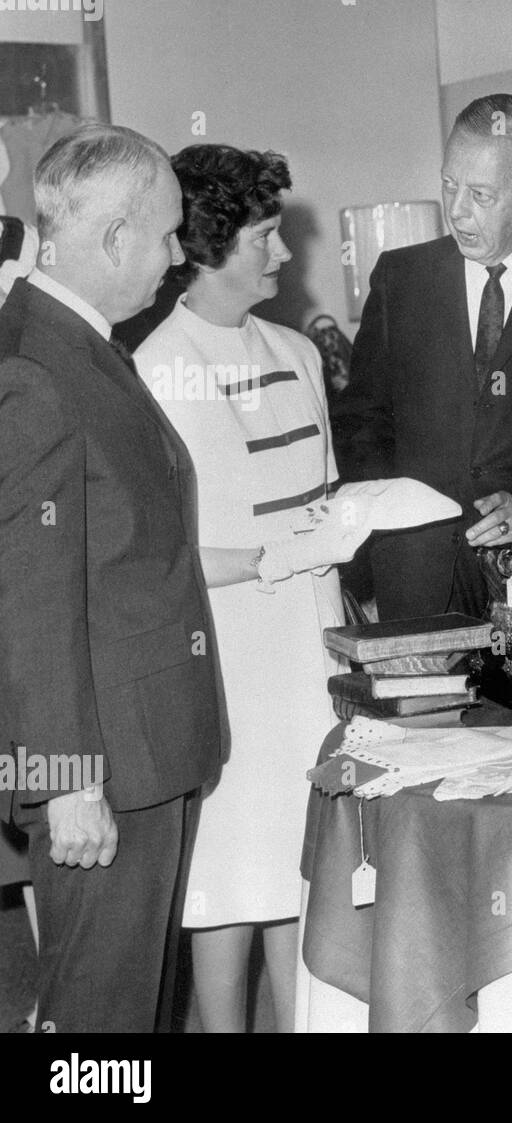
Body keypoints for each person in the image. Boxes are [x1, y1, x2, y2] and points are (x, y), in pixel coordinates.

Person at [0, 123, 223, 1032]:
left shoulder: (72, 341)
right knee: (96, 1026)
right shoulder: (34, 368)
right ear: (115, 238)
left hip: (138, 753)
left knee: (127, 1018)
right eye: (169, 236)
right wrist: (64, 781)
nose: (177, 260)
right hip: (104, 776)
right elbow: (26, 595)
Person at [133, 145, 355, 1032]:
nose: (283, 254)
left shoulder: (298, 352)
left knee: (302, 869)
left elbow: (329, 496)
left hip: (309, 650)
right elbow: (159, 548)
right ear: (212, 243)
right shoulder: (152, 367)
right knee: (225, 879)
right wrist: (272, 557)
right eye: (265, 235)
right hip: (223, 652)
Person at [334, 93, 512, 620]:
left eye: (480, 194)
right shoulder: (401, 279)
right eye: (449, 185)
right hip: (414, 583)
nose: (456, 210)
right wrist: (385, 528)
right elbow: (362, 422)